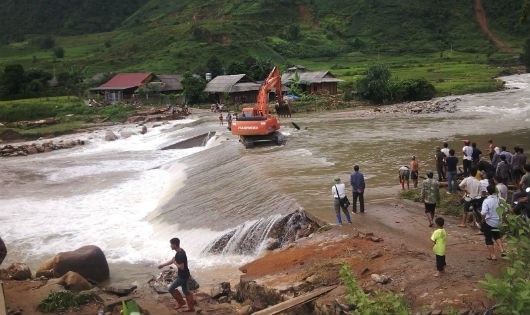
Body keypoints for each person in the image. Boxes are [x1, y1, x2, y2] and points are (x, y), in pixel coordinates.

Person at [158, 237, 195, 312]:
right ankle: (191, 307)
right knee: (185, 291)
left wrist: (175, 263)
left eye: (171, 244)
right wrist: (163, 265)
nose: (170, 246)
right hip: (185, 274)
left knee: (171, 288)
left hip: (183, 276)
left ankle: (181, 302)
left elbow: (181, 267)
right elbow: (172, 260)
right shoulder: (180, 251)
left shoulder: (180, 254)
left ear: (174, 244)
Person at [480, 185, 505, 261]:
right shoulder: (501, 199)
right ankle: (502, 250)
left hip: (489, 222)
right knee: (497, 235)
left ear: (488, 192)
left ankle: (493, 255)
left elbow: (483, 213)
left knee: (488, 239)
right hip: (498, 222)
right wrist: (502, 219)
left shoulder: (487, 200)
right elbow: (505, 210)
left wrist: (483, 220)